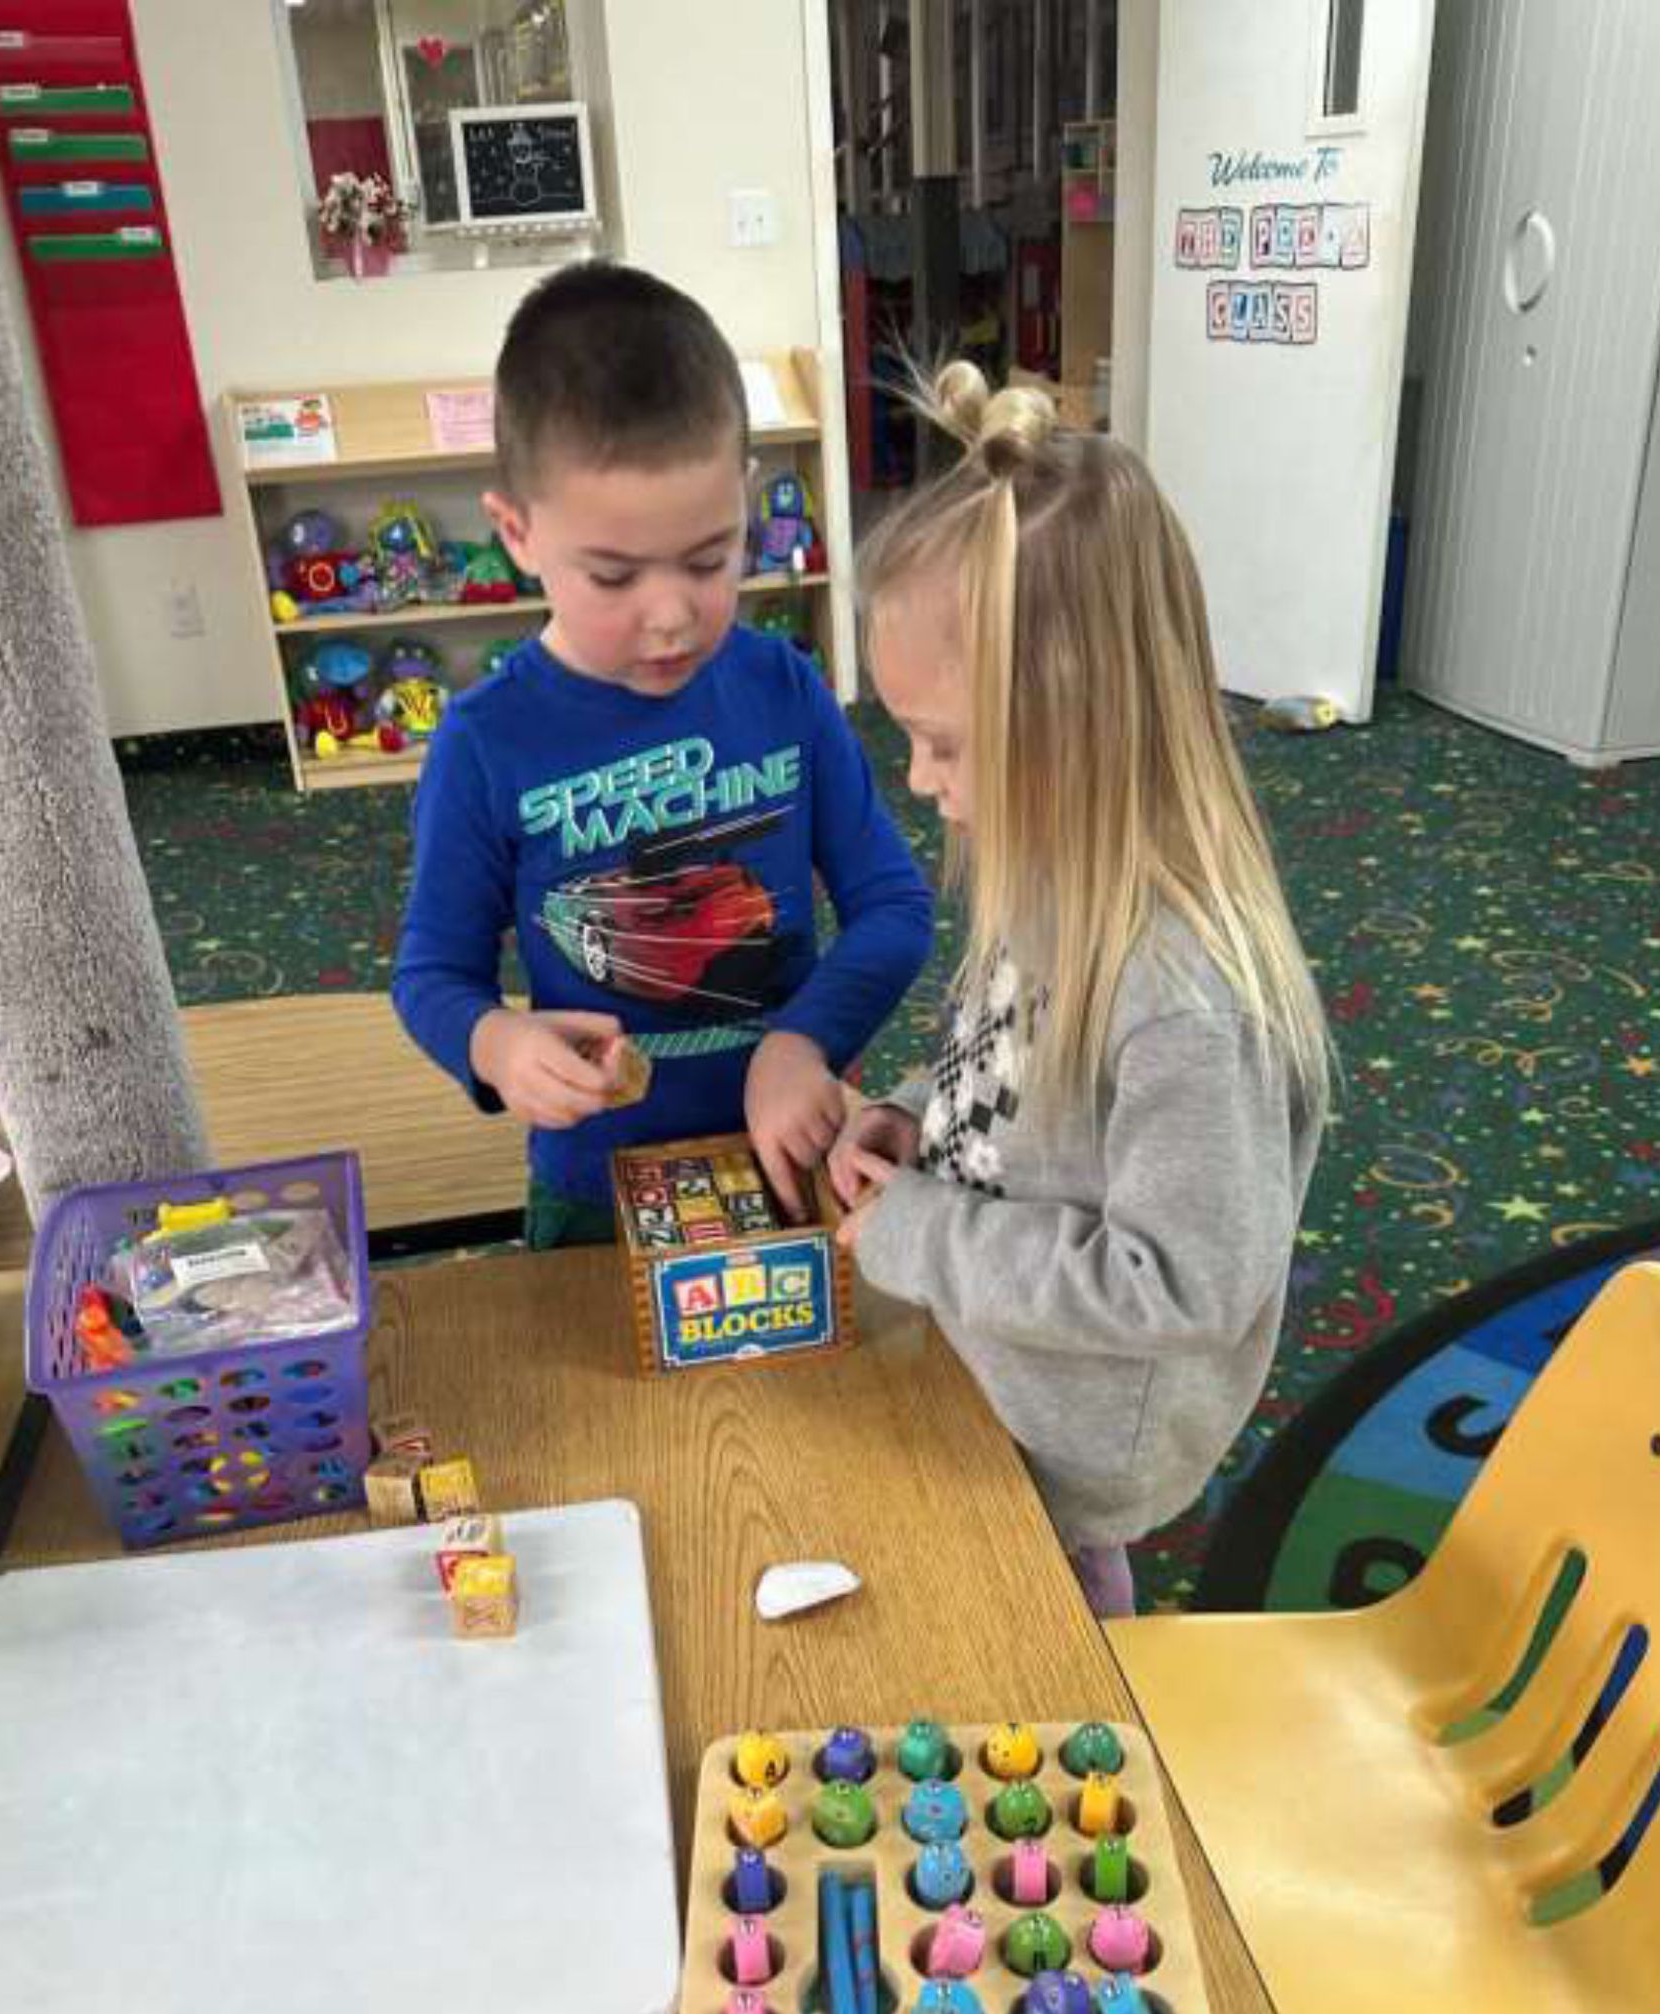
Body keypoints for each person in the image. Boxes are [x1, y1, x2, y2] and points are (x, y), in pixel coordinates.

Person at [830, 363, 1329, 1618]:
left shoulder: (1183, 997)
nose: (917, 776)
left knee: (1049, 1719)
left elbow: (1183, 1283)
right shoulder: (1049, 868)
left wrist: (921, 1233)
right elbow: (1002, 1065)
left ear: (1073, 718)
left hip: (1072, 1465)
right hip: (993, 1393)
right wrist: (916, 1121)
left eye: (944, 741)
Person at [394, 263, 933, 1246]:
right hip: (596, 1189)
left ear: (745, 498)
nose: (672, 614)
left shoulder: (783, 689)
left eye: (709, 558)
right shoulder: (483, 744)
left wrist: (801, 1040)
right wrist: (495, 1042)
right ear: (517, 532)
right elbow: (433, 971)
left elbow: (895, 907)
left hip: (792, 1163)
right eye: (613, 575)